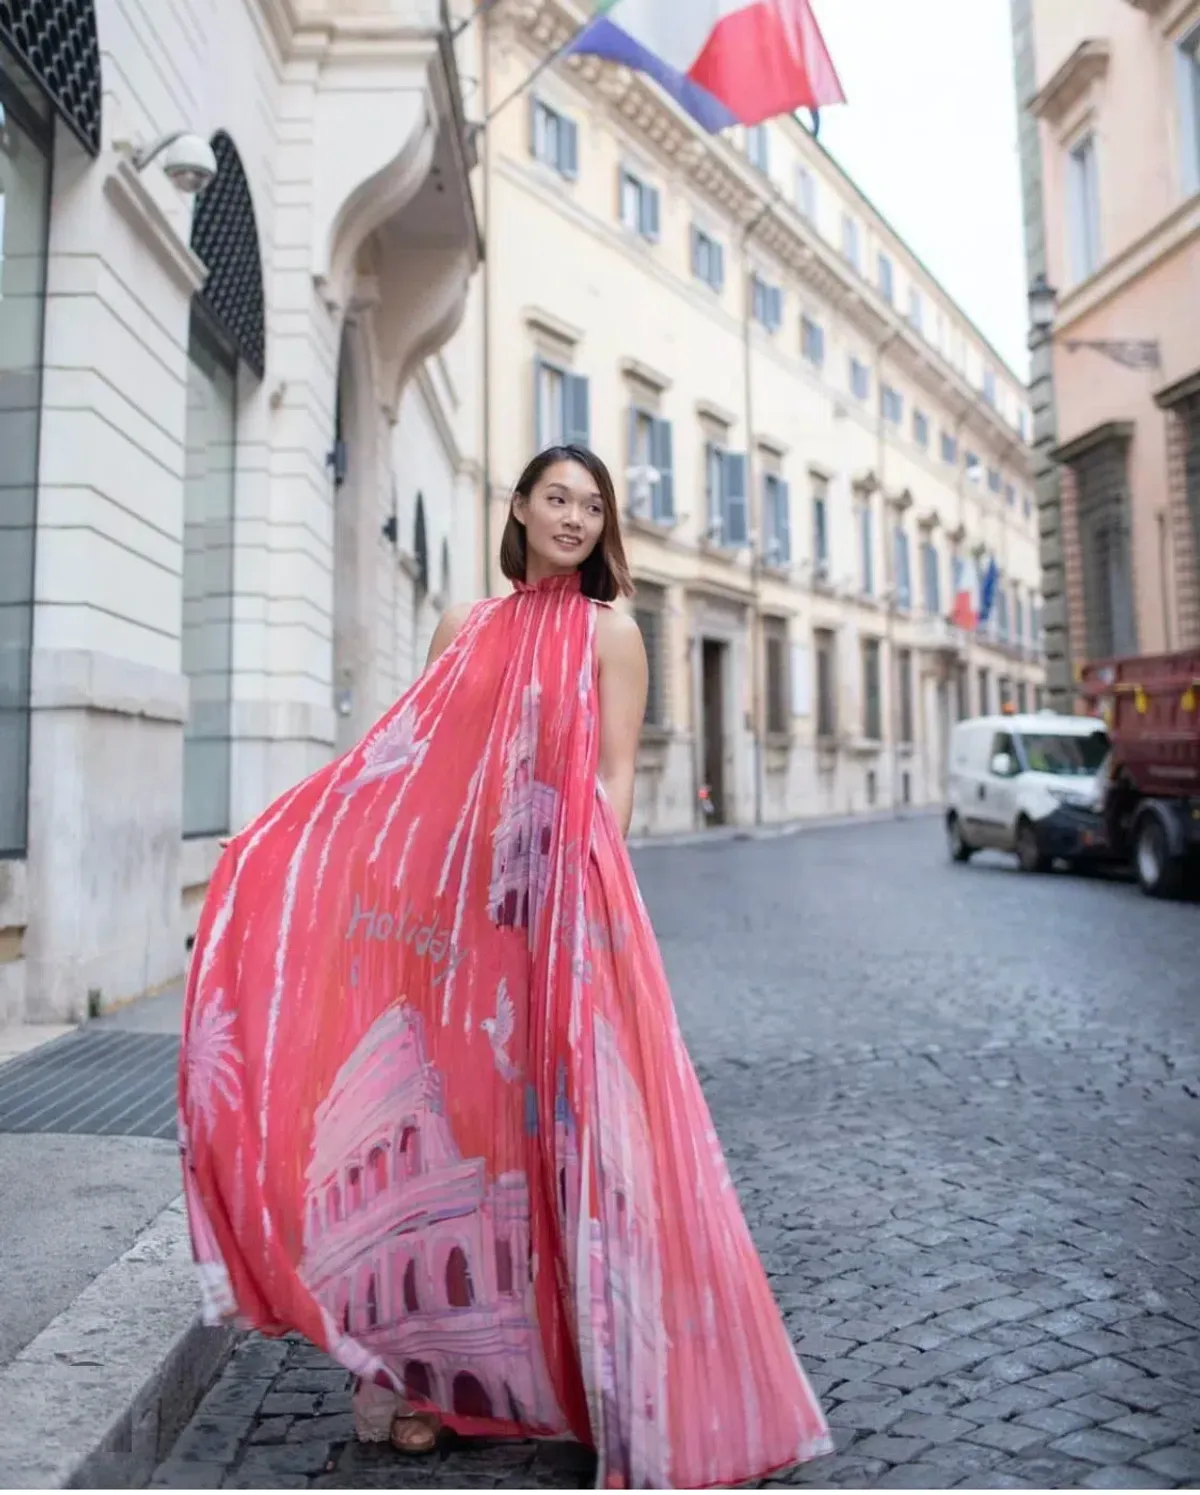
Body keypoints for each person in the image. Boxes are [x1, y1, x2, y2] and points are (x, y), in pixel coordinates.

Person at [180, 445, 832, 1489]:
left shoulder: (615, 634)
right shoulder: (462, 627)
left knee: (583, 1138)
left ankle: (591, 1379)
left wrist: (578, 893)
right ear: (519, 508)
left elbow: (614, 777)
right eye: (557, 498)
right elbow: (413, 767)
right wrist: (292, 853)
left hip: (574, 909)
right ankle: (429, 1384)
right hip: (465, 920)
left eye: (592, 504)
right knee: (472, 1131)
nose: (574, 517)